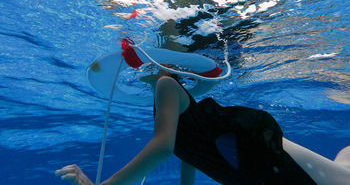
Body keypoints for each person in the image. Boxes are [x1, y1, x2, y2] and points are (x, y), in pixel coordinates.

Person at [55, 70, 341, 185]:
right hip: (258, 170)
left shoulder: (166, 85)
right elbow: (187, 157)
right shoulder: (169, 107)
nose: (137, 69)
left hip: (266, 161)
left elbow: (161, 150)